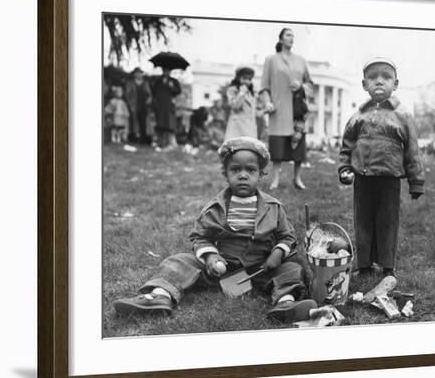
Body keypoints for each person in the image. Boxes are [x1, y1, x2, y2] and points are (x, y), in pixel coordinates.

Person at [114, 136, 317, 323]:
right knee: (178, 261)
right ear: (225, 175)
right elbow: (199, 237)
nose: (243, 176)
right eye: (236, 170)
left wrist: (278, 252)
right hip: (222, 269)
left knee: (292, 268)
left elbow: (287, 235)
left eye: (250, 170)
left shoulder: (273, 207)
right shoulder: (216, 207)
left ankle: (286, 301)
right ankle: (160, 296)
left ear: (261, 174)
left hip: (262, 269)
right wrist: (211, 257)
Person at [338, 57, 425, 277]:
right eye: (373, 77)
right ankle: (364, 265)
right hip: (363, 180)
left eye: (386, 77)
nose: (379, 81)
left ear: (395, 84)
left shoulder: (402, 115)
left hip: (389, 180)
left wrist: (416, 182)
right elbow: (346, 146)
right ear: (364, 84)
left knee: (387, 223)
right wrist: (344, 169)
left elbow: (412, 149)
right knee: (363, 222)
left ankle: (388, 268)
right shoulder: (358, 116)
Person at [260, 28, 313, 190]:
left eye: (293, 35)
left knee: (298, 145)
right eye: (288, 35)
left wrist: (301, 86)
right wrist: (267, 102)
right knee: (278, 146)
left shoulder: (301, 60)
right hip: (279, 108)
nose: (291, 38)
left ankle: (297, 179)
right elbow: (264, 86)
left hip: (297, 110)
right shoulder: (271, 60)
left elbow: (310, 84)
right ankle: (275, 179)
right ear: (281, 39)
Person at [225, 66, 274, 140]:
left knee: (249, 150)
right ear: (238, 78)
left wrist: (265, 111)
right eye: (244, 78)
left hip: (250, 131)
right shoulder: (232, 90)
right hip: (237, 130)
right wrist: (241, 93)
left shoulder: (251, 94)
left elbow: (255, 113)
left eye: (249, 79)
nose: (247, 81)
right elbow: (235, 106)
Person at [152, 67, 181, 148]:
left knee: (169, 124)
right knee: (160, 124)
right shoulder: (158, 80)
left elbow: (178, 91)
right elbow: (153, 91)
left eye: (168, 70)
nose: (166, 72)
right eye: (165, 70)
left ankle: (169, 142)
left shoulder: (173, 81)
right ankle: (159, 142)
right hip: (160, 105)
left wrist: (171, 86)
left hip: (169, 105)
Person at [124, 67, 152, 143]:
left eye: (140, 73)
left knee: (143, 122)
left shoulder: (145, 83)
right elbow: (127, 94)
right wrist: (130, 104)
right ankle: (133, 138)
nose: (139, 74)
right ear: (134, 74)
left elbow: (149, 94)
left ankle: (143, 138)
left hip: (144, 105)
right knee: (133, 122)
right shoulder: (130, 83)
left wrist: (149, 99)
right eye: (137, 73)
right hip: (134, 105)